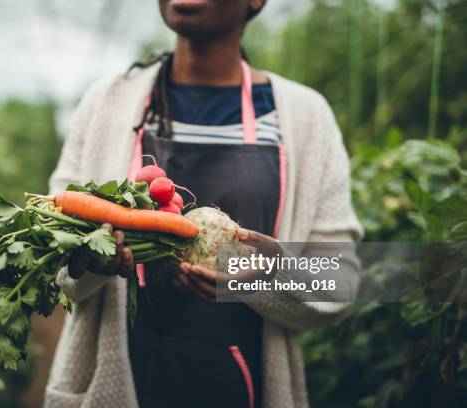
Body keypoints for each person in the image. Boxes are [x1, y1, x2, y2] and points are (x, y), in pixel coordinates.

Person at [45, 1, 362, 407]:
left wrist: (269, 273)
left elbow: (342, 279)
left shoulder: (304, 117)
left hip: (242, 382)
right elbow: (55, 252)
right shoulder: (107, 103)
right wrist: (88, 259)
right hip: (122, 383)